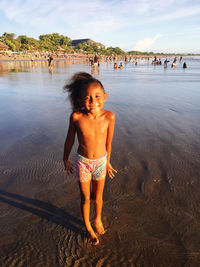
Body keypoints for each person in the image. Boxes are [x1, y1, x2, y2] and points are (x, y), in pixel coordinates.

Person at [63, 72, 117, 245]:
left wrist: (107, 162)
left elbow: (109, 144)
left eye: (97, 97)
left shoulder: (109, 117)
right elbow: (69, 140)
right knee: (85, 197)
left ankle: (97, 219)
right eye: (88, 98)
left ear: (105, 97)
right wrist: (65, 159)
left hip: (101, 162)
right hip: (83, 163)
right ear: (80, 100)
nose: (93, 102)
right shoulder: (76, 117)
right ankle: (88, 226)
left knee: (98, 196)